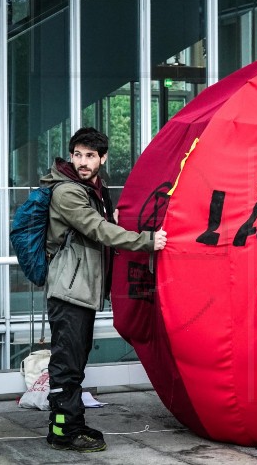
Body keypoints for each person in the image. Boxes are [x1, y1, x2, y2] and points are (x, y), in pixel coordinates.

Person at [42, 127, 167, 453]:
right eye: (78, 154)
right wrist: (146, 241)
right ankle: (64, 431)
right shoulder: (66, 192)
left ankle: (70, 424)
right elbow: (98, 230)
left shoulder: (93, 190)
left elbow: (103, 222)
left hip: (81, 291)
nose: (83, 162)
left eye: (90, 156)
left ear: (102, 158)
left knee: (75, 362)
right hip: (68, 291)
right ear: (71, 156)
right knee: (67, 364)